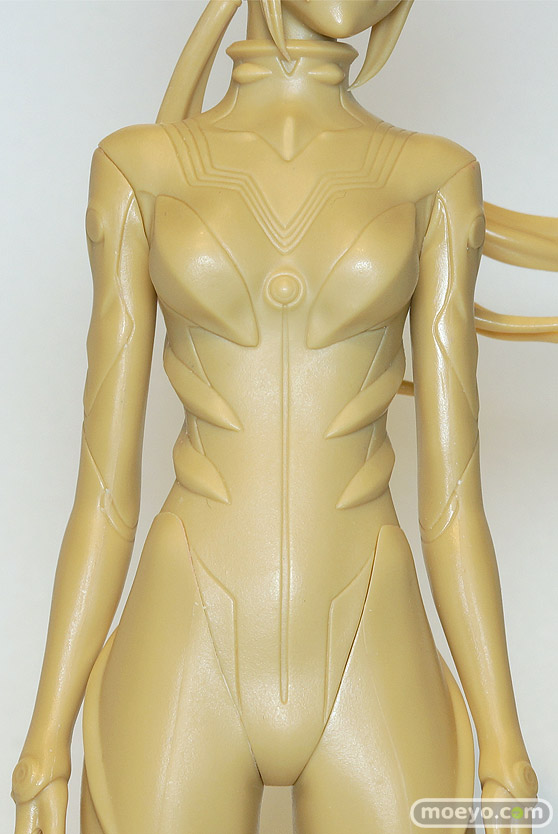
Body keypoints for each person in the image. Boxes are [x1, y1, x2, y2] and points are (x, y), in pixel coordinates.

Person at [12, 1, 544, 832]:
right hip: (181, 642)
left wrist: (505, 746)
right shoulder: (139, 167)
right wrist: (44, 739)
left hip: (373, 645)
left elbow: (452, 507)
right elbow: (105, 499)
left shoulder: (434, 177)